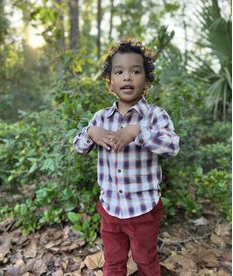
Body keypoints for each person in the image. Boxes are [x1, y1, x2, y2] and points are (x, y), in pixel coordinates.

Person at [73, 38, 180, 276]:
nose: (127, 77)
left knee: (146, 261)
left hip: (143, 209)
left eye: (135, 71)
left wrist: (139, 131)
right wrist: (90, 132)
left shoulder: (154, 116)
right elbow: (79, 148)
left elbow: (172, 146)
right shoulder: (101, 118)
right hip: (110, 208)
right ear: (110, 83)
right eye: (119, 72)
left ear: (147, 81)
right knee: (113, 262)